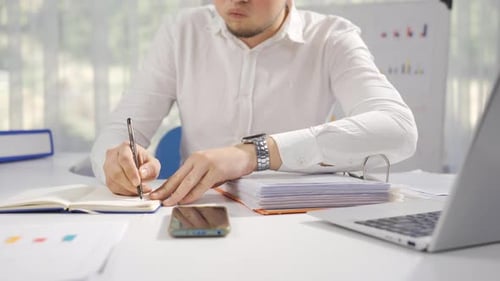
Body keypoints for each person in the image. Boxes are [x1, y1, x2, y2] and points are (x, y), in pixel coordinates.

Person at [90, 0, 418, 206]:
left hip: (298, 219)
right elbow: (120, 129)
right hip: (202, 216)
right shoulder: (182, 31)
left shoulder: (332, 38)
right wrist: (115, 164)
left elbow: (399, 129)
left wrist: (251, 154)